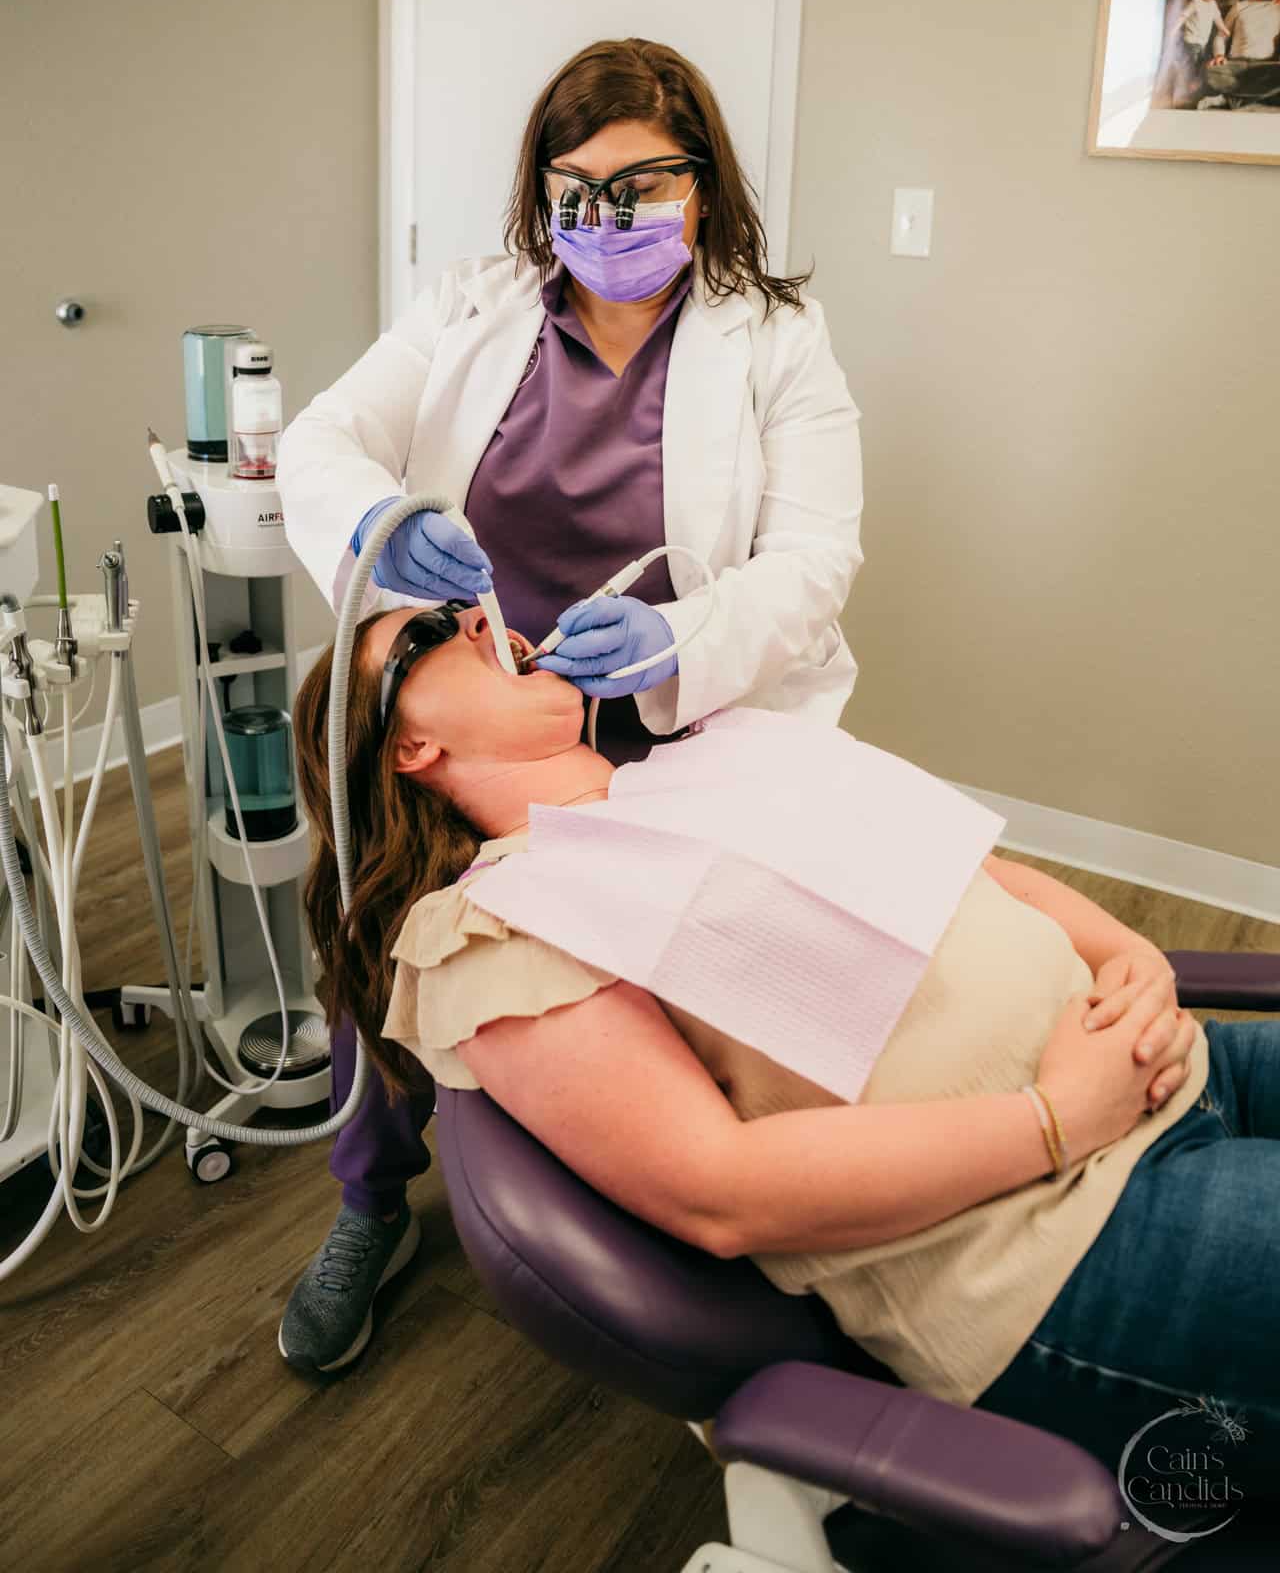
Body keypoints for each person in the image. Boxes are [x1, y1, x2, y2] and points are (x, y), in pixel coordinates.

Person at [290, 603, 1280, 1495]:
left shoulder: (713, 764)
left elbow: (983, 877)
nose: (477, 614)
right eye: (425, 637)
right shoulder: (496, 924)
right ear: (408, 746)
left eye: (471, 606)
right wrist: (1054, 1121)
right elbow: (716, 1188)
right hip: (1066, 1234)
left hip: (1173, 1063)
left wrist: (1129, 957)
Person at [273, 38, 864, 1373]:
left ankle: (698, 1215)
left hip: (672, 715)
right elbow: (318, 441)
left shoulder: (775, 341)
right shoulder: (472, 308)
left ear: (701, 185)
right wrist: (377, 521)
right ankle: (371, 1201)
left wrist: (674, 639)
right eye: (572, 188)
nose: (602, 220)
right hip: (482, 714)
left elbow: (814, 565)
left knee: (643, 999)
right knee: (380, 934)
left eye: (639, 185)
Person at [1200, 0, 1280, 110]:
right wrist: (1219, 55)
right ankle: (1256, 96)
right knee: (1208, 70)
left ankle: (1229, 98)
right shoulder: (1239, 6)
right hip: (1236, 65)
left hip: (1264, 67)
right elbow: (1220, 35)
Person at [1154, 0, 1228, 108]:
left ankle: (1193, 86)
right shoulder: (1195, 2)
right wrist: (1173, 30)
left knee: (1203, 65)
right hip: (1191, 42)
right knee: (1192, 65)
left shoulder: (1213, 5)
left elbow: (1217, 18)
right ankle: (1187, 86)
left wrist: (1223, 28)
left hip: (1203, 44)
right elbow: (1183, 16)